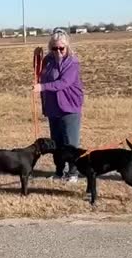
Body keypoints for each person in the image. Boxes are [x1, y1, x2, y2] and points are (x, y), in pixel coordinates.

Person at [32, 29, 84, 183]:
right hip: (53, 106)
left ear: (67, 47)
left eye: (61, 48)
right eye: (54, 48)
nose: (58, 51)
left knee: (70, 142)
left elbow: (64, 82)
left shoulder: (72, 63)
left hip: (69, 106)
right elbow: (39, 74)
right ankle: (59, 171)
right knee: (56, 142)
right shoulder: (48, 60)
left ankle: (73, 173)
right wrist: (36, 59)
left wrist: (42, 87)